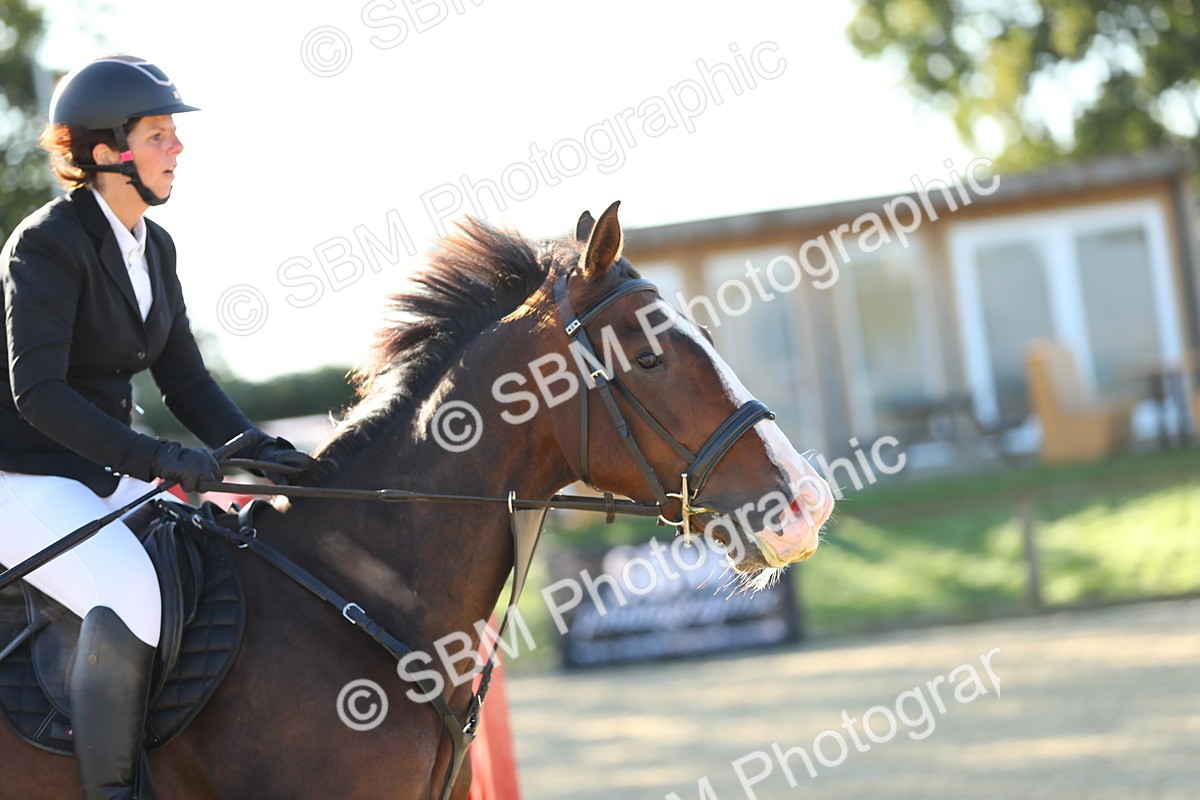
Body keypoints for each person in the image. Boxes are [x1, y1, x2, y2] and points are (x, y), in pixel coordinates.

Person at [0, 54, 313, 800]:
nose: (178, 149)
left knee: (223, 563)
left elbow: (186, 380)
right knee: (132, 596)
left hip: (100, 473)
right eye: (159, 136)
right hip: (23, 477)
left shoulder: (154, 247)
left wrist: (257, 449)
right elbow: (36, 392)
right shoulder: (46, 244)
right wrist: (157, 458)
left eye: (173, 136)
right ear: (109, 151)